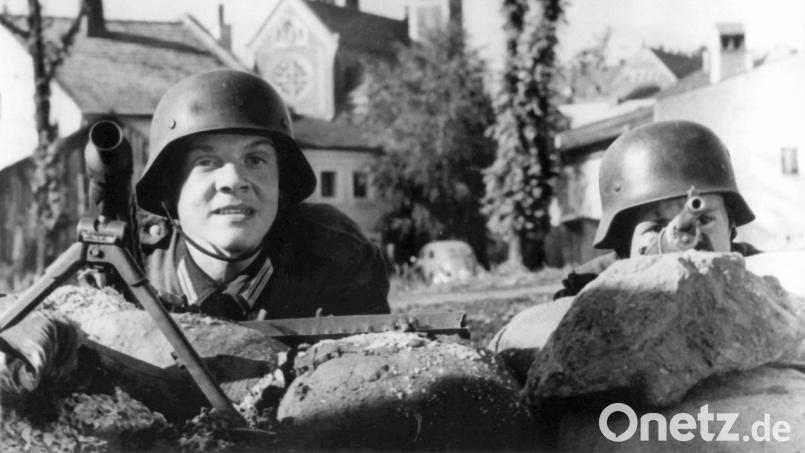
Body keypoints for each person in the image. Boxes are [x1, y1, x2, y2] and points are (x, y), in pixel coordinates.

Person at [134, 69, 390, 320]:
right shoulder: (128, 261)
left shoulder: (336, 255)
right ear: (169, 189)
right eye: (206, 162)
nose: (233, 181)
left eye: (255, 160)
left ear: (281, 185)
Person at [553, 120, 758, 298]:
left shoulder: (760, 271)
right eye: (658, 227)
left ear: (730, 226)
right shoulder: (590, 286)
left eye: (704, 220)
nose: (686, 243)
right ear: (626, 245)